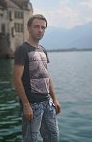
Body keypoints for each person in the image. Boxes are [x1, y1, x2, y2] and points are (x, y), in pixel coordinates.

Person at [13, 14, 61, 142]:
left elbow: (47, 76)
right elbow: (17, 79)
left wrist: (54, 98)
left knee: (53, 137)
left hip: (47, 103)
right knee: (30, 139)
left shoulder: (43, 50)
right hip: (32, 105)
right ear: (29, 28)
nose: (40, 30)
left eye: (43, 27)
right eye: (36, 27)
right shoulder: (22, 50)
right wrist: (26, 104)